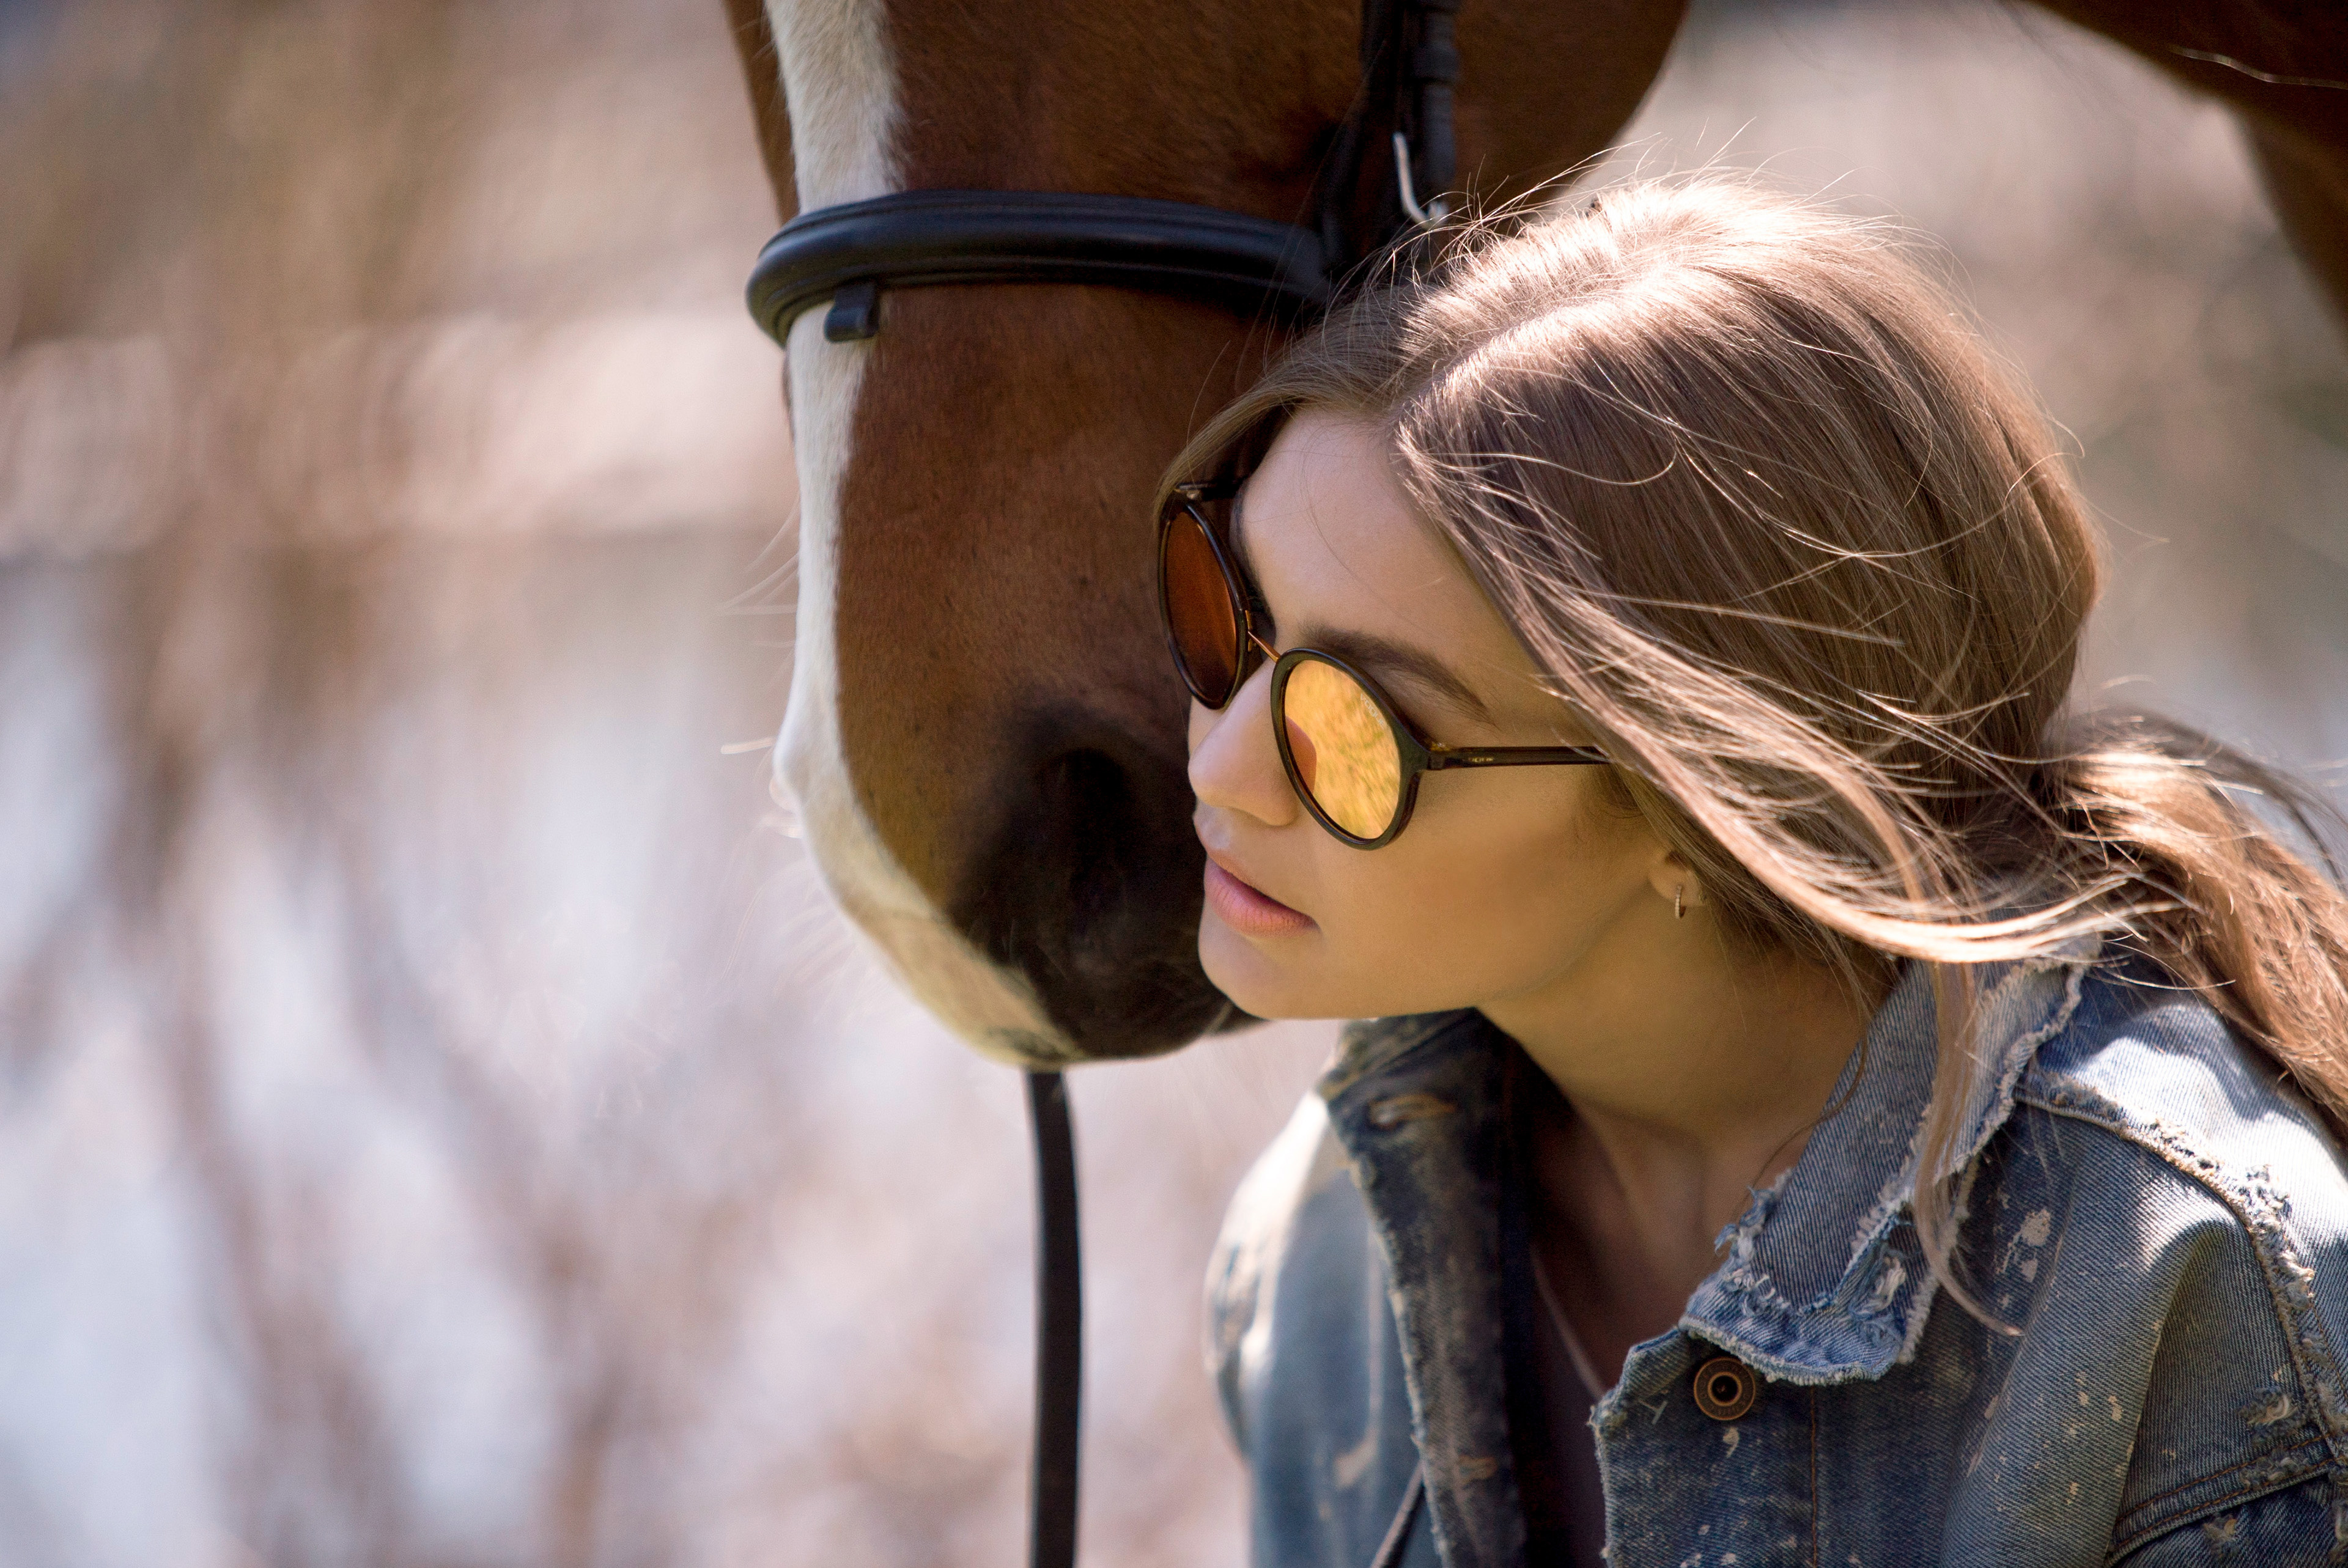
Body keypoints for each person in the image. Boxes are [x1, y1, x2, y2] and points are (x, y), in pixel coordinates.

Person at [1153, 177, 2348, 1567]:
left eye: (1353, 725)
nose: (1217, 764)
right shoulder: (1318, 1256)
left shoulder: (2195, 1297)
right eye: (1221, 617)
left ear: (1699, 807)